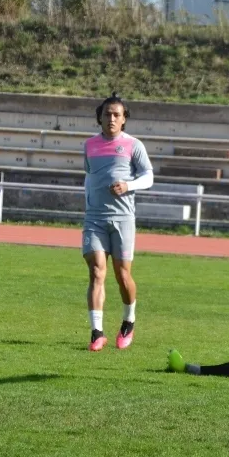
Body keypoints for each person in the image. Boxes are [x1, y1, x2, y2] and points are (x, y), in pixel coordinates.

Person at [82, 92, 154, 352]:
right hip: (95, 218)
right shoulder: (89, 146)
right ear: (99, 118)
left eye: (116, 115)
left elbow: (148, 177)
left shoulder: (134, 145)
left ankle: (128, 321)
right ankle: (97, 332)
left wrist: (128, 185)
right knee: (96, 271)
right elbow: (89, 177)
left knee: (122, 275)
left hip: (123, 218)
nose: (111, 119)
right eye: (107, 114)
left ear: (124, 120)